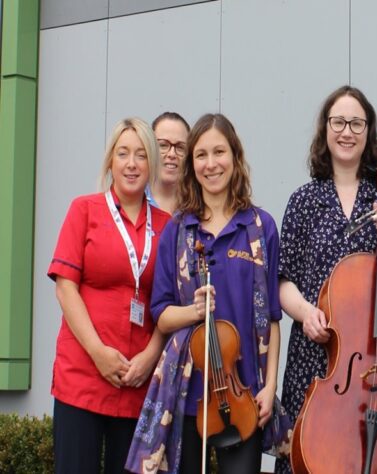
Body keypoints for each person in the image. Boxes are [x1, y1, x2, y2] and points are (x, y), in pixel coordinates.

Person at [125, 114, 288, 473]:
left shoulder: (260, 227)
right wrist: (194, 311)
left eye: (219, 152)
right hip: (187, 391)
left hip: (243, 393)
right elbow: (162, 314)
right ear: (191, 164)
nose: (211, 164)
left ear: (235, 157)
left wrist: (269, 386)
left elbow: (273, 318)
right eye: (201, 155)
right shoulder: (178, 231)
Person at [276, 85, 377, 474]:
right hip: (315, 358)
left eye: (357, 123)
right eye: (338, 122)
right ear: (325, 129)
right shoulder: (304, 201)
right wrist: (306, 313)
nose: (347, 132)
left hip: (373, 364)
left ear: (368, 131)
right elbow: (283, 279)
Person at [48, 117, 171, 473]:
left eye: (141, 155)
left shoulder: (167, 226)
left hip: (136, 381)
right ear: (110, 161)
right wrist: (98, 353)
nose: (131, 164)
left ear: (152, 164)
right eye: (123, 153)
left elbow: (168, 303)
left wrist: (150, 356)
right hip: (83, 375)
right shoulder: (84, 210)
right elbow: (65, 288)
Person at [147, 112, 190, 213]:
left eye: (180, 147)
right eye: (163, 145)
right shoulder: (135, 199)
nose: (172, 154)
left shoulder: (198, 205)